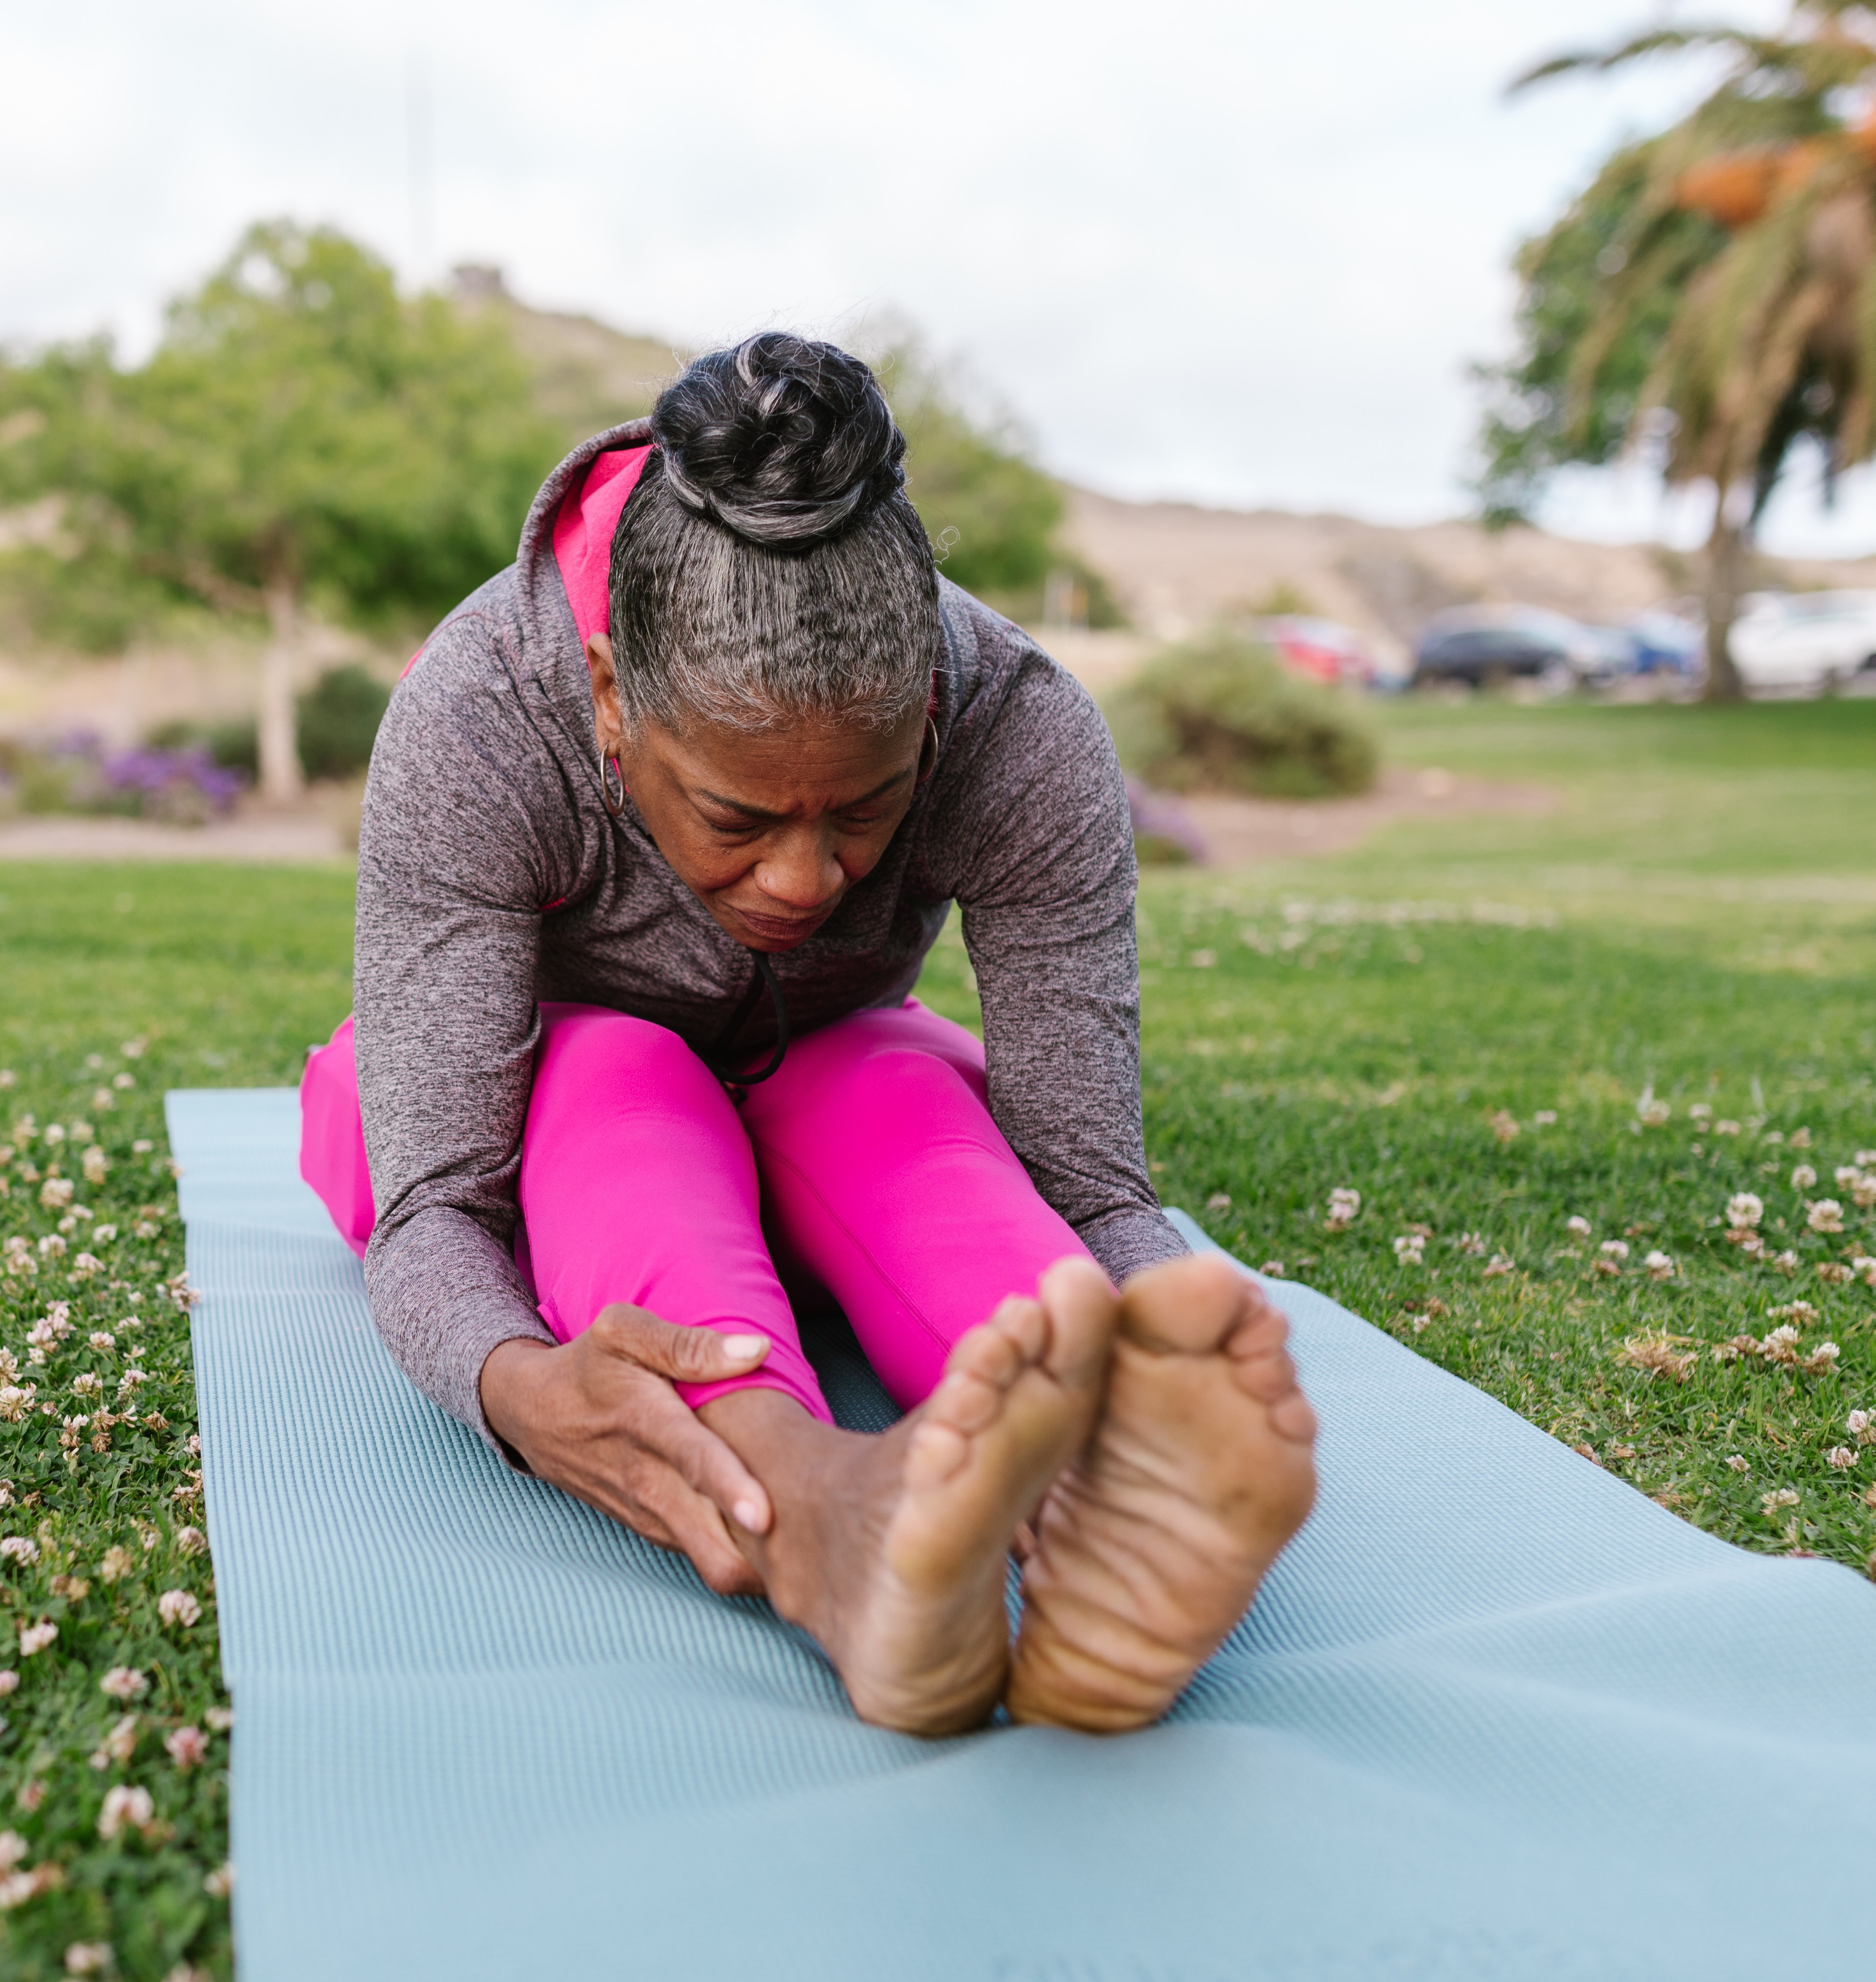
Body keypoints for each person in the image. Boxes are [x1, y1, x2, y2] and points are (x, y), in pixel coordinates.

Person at [298, 333, 1317, 1737]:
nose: (807, 878)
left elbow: (1089, 1179)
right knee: (621, 1071)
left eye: (867, 807)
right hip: (550, 1092)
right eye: (739, 817)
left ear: (931, 715)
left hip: (819, 1063)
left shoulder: (1020, 730)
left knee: (901, 1096)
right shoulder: (482, 714)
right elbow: (435, 1210)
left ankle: (1111, 1462)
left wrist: (1172, 1326)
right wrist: (514, 1383)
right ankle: (822, 1522)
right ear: (609, 698)